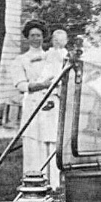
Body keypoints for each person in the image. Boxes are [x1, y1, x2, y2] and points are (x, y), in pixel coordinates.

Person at [14, 19, 64, 187]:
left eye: (39, 35)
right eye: (32, 35)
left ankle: (54, 185)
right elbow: (21, 85)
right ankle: (34, 184)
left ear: (44, 37)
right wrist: (41, 85)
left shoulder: (53, 56)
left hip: (51, 105)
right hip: (33, 105)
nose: (36, 39)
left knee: (51, 143)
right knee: (34, 144)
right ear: (27, 37)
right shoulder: (21, 60)